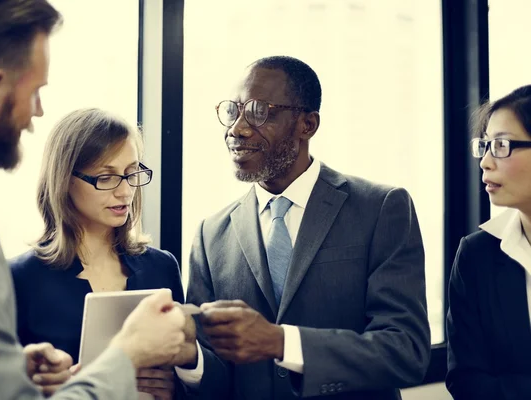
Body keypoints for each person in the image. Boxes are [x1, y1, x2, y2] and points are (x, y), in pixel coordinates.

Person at [0, 1, 186, 399]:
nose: (37, 111)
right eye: (35, 91)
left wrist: (14, 371)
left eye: (131, 174)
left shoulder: (160, 266)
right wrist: (126, 356)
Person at [179, 56, 431, 399]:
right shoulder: (211, 234)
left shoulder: (380, 208)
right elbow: (216, 375)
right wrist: (189, 360)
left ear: (307, 125)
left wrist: (281, 342)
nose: (237, 128)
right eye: (233, 111)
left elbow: (406, 352)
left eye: (258, 111)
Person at [10, 108, 185, 399]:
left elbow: (187, 367)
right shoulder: (18, 279)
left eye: (132, 173)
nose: (125, 191)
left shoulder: (161, 267)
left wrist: (174, 388)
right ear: (65, 180)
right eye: (106, 178)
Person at [446, 85, 531, 399]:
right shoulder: (476, 255)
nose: (485, 162)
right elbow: (465, 381)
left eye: (501, 145)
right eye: (484, 146)